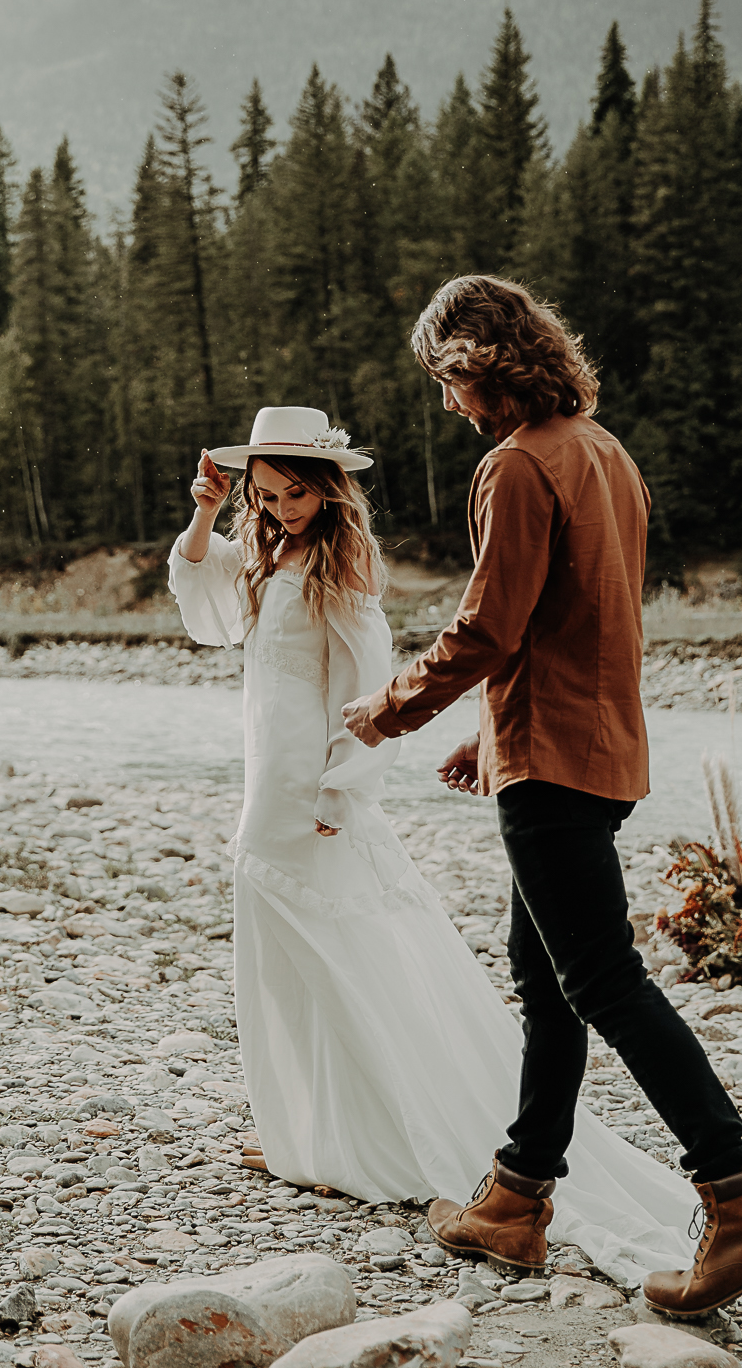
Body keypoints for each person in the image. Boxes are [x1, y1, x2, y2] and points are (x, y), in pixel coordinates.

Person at [341, 276, 742, 1316]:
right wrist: (486, 726)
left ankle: (741, 1198)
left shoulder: (515, 463)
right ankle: (516, 1198)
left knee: (599, 980)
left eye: (445, 380)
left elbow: (485, 626)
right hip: (593, 746)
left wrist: (391, 708)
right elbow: (576, 617)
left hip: (551, 760)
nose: (447, 403)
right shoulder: (602, 450)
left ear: (475, 363)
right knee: (546, 973)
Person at [169, 402, 700, 1289]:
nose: (283, 507)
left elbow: (369, 681)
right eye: (266, 494)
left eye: (296, 493)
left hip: (314, 774)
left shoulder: (345, 559)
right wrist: (203, 509)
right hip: (267, 763)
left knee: (344, 948)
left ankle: (389, 1134)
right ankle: (309, 1130)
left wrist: (343, 784)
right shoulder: (261, 551)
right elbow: (204, 604)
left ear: (328, 489)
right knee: (282, 948)